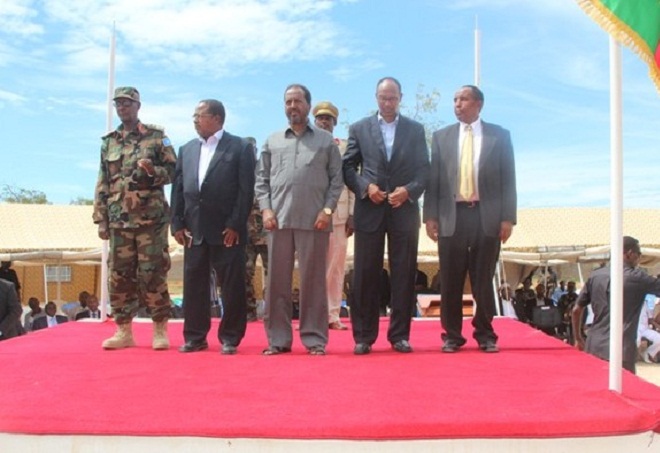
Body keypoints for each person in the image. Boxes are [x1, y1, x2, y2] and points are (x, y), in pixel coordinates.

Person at [423, 84, 517, 354]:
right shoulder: (441, 137)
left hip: (486, 215)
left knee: (483, 279)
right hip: (451, 215)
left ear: (479, 104)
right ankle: (452, 335)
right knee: (450, 279)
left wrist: (507, 218)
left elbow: (508, 178)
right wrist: (429, 216)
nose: (457, 104)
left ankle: (485, 334)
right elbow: (434, 179)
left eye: (463, 99)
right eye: (455, 99)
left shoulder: (499, 136)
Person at [255, 83, 343, 356]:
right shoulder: (272, 141)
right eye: (288, 102)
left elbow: (336, 181)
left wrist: (327, 211)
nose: (292, 106)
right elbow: (261, 180)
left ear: (308, 105)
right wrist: (266, 210)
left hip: (315, 221)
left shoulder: (325, 141)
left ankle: (314, 339)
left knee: (313, 283)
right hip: (278, 221)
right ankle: (278, 340)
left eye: (297, 101)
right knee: (276, 284)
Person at [343, 77, 429, 355]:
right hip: (370, 210)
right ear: (376, 98)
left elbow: (424, 170)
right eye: (383, 98)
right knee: (365, 274)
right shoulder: (359, 128)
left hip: (404, 210)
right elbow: (347, 168)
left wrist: (409, 191)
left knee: (404, 273)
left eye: (392, 98)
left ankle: (399, 335)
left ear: (401, 97)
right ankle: (364, 336)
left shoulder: (415, 130)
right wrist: (365, 188)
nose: (388, 103)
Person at [92, 86, 176, 350]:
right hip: (119, 220)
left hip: (151, 220)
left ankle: (159, 328)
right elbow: (102, 181)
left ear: (138, 106)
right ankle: (123, 330)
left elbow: (174, 171)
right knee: (119, 276)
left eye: (127, 103)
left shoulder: (157, 137)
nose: (122, 107)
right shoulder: (109, 142)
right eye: (118, 104)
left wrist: (153, 171)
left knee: (153, 273)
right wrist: (101, 218)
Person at [170, 99, 255, 355]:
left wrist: (235, 224)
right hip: (194, 230)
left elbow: (245, 190)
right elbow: (178, 189)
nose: (195, 120)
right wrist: (177, 223)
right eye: (194, 116)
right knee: (194, 285)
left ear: (217, 118)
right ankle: (195, 336)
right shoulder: (186, 149)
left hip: (227, 230)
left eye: (200, 115)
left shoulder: (240, 147)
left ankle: (230, 337)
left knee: (231, 286)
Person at [573, 236, 660, 374]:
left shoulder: (595, 275)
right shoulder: (638, 278)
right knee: (624, 386)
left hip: (594, 345)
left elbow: (576, 310)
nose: (639, 258)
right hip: (621, 348)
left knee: (597, 385)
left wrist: (578, 338)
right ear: (629, 253)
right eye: (638, 254)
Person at [313, 100, 355, 331]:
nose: (324, 122)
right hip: (310, 215)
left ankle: (332, 315)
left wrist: (353, 214)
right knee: (311, 267)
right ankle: (312, 317)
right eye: (320, 118)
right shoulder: (305, 145)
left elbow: (351, 181)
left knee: (336, 267)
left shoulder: (345, 147)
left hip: (339, 215)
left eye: (328, 119)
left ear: (335, 122)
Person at [244, 137, 269, 323]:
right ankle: (248, 310)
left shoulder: (267, 170)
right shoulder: (237, 169)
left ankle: (273, 311)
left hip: (269, 231)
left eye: (251, 148)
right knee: (244, 272)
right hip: (246, 233)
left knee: (274, 273)